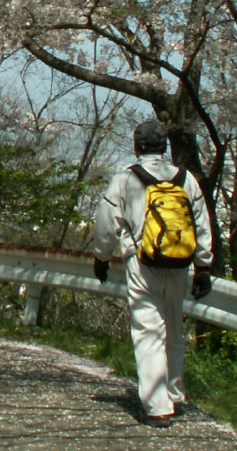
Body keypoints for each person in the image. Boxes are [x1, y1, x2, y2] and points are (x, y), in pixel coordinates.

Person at [92, 118, 214, 425]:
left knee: (149, 331)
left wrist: (102, 257)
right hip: (179, 264)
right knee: (173, 327)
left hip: (142, 264)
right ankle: (174, 395)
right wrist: (203, 267)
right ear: (165, 147)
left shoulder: (125, 179)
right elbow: (201, 224)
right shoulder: (185, 179)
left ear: (136, 146)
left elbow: (108, 223)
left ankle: (158, 407)